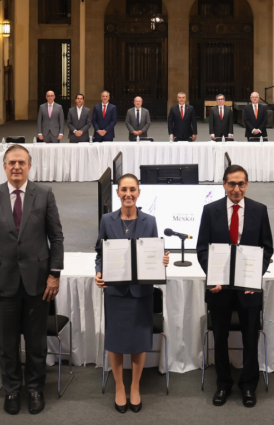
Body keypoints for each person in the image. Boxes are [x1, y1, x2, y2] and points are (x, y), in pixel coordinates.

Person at [0, 144, 65, 415]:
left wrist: (54, 274)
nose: (16, 167)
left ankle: (36, 388)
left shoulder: (45, 194)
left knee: (37, 342)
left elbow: (56, 237)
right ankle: (12, 389)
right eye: (11, 162)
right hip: (1, 284)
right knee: (8, 343)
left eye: (21, 163)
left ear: (29, 166)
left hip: (39, 282)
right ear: (4, 166)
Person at [196, 165, 274, 408]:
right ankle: (223, 384)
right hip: (219, 289)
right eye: (232, 184)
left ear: (247, 184)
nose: (237, 189)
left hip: (247, 288)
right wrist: (213, 277)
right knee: (220, 338)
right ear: (224, 184)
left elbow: (267, 248)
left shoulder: (259, 211)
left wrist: (255, 278)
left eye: (241, 184)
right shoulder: (211, 211)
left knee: (250, 338)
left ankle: (249, 386)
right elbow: (202, 249)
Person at [94, 173, 170, 413]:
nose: (128, 194)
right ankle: (119, 387)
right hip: (115, 292)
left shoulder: (150, 221)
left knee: (138, 342)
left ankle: (135, 386)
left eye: (132, 190)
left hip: (141, 293)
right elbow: (100, 253)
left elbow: (153, 253)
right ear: (117, 193)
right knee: (115, 343)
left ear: (139, 193)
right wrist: (98, 272)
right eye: (124, 189)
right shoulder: (107, 220)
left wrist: (162, 259)